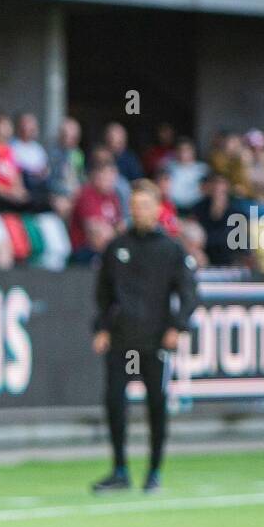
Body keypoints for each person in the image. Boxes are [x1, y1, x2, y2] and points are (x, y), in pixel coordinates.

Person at [91, 180, 198, 494]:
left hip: (155, 341)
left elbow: (189, 293)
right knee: (114, 402)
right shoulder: (116, 247)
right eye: (135, 206)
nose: (139, 212)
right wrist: (101, 328)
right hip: (122, 340)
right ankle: (120, 469)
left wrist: (177, 327)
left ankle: (154, 471)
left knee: (157, 405)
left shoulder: (171, 249)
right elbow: (103, 295)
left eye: (145, 206)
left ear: (158, 209)